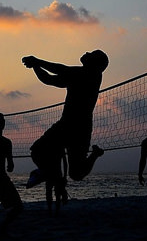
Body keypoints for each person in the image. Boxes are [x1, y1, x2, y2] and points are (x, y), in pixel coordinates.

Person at [22, 50, 108, 186]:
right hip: (70, 126)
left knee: (75, 173)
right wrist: (36, 64)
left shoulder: (87, 75)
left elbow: (55, 73)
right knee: (38, 152)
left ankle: (93, 155)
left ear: (93, 62)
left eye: (91, 53)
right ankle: (49, 174)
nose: (86, 52)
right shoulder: (85, 74)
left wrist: (36, 63)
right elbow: (55, 73)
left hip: (76, 129)